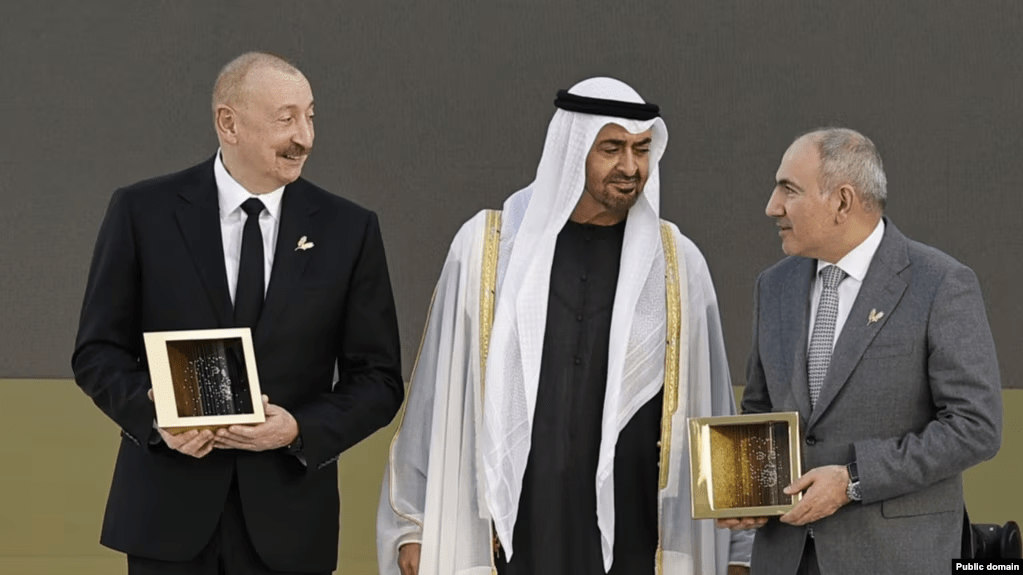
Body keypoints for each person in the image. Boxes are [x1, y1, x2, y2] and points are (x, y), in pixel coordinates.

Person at [377, 77, 752, 575]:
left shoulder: (677, 263)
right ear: (572, 149)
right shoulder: (489, 249)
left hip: (638, 532)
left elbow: (713, 400)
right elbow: (435, 395)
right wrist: (414, 524)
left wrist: (741, 547)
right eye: (611, 148)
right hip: (514, 529)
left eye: (642, 149)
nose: (631, 167)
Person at [72, 52, 404, 574]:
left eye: (310, 116)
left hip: (291, 528)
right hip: (167, 520)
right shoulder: (143, 212)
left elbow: (379, 379)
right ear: (228, 123)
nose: (305, 137)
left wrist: (298, 429)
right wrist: (156, 417)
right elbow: (97, 352)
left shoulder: (349, 229)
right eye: (286, 119)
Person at [722, 128, 1002, 574]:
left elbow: (976, 428)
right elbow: (760, 408)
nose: (773, 206)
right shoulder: (773, 286)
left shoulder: (940, 284)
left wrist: (853, 480)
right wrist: (754, 491)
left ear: (842, 201)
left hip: (892, 559)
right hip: (785, 558)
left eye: (789, 190)